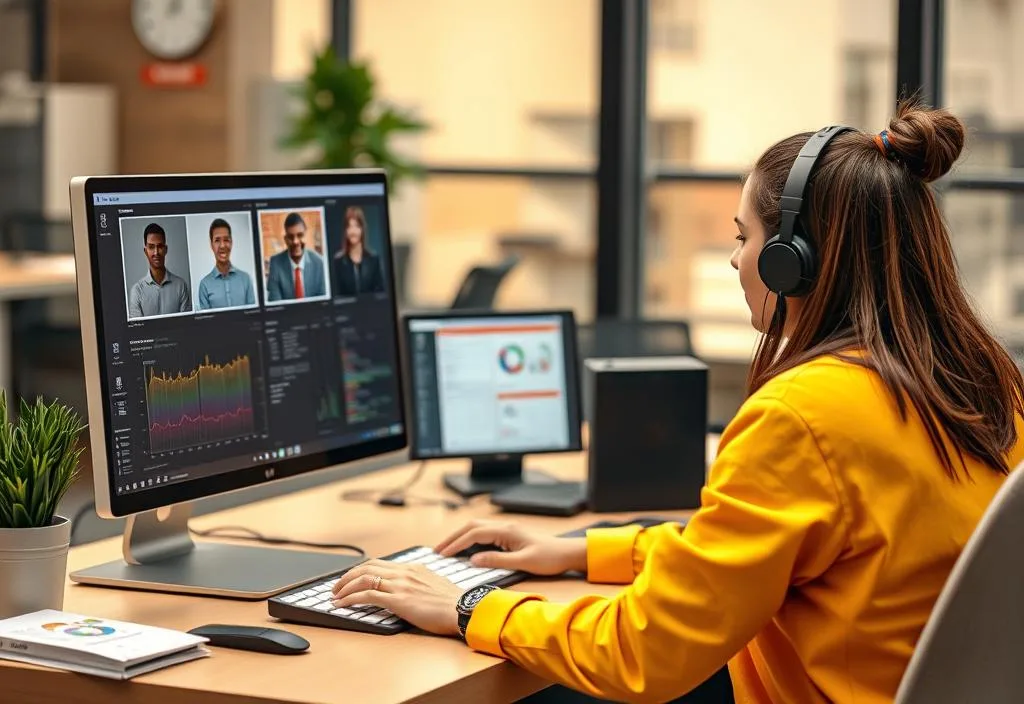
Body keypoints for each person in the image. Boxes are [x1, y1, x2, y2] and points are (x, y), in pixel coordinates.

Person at [329, 102, 1024, 703]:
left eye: (742, 236)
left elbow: (646, 654)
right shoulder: (985, 383)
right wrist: (579, 552)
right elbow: (764, 557)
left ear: (793, 261)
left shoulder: (804, 415)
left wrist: (470, 604)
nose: (733, 259)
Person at [128, 222, 191, 318]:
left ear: (166, 249)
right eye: (151, 247)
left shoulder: (181, 286)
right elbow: (138, 330)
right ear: (145, 251)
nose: (156, 252)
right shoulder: (137, 291)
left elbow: (185, 325)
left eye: (160, 246)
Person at [197, 218, 256, 311]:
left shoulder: (245, 279)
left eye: (226, 240)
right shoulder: (204, 285)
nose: (222, 245)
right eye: (217, 240)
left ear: (231, 242)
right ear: (211, 245)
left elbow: (253, 316)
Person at [266, 212, 327, 301]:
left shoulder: (319, 262)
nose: (295, 242)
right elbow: (275, 304)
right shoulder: (275, 263)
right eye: (291, 237)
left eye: (300, 235)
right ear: (285, 239)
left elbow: (323, 302)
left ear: (305, 236)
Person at [333, 206, 385, 296]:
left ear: (362, 229)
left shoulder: (374, 259)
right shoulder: (338, 261)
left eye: (356, 226)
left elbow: (380, 293)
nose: (353, 231)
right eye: (349, 226)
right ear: (345, 231)